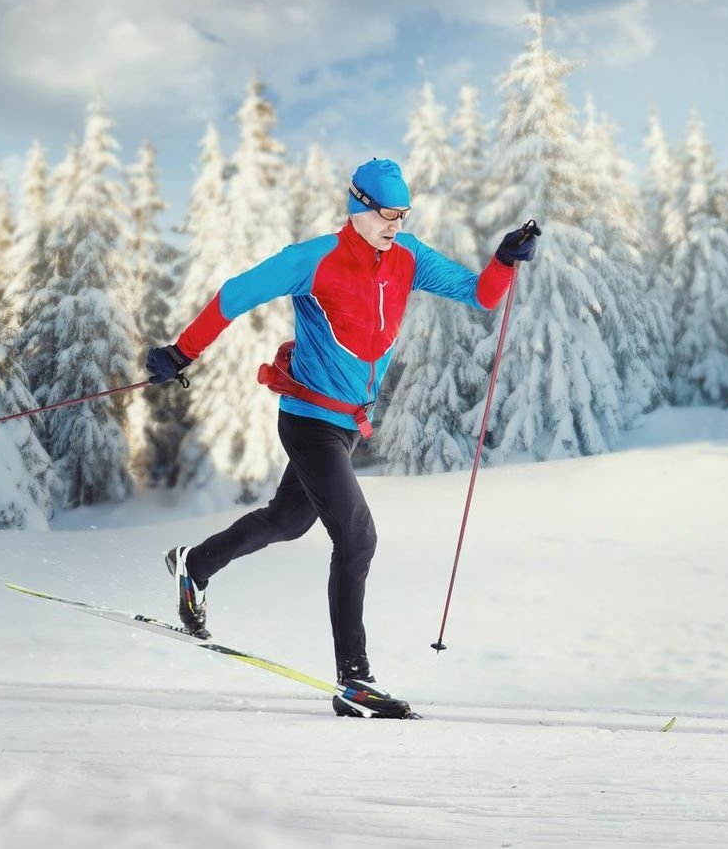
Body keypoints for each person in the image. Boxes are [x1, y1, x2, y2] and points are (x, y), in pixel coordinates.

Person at [146, 157, 539, 719]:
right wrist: (182, 352)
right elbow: (234, 294)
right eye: (386, 213)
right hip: (308, 420)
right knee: (357, 540)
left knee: (288, 520)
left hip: (345, 426)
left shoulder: (408, 259)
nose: (395, 224)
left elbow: (480, 294)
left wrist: (503, 259)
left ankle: (195, 565)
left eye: (402, 214)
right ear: (358, 205)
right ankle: (353, 681)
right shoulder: (314, 259)